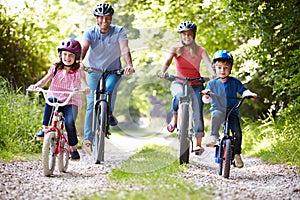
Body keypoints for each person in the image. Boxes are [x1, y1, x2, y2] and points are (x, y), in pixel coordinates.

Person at [81, 3, 134, 154]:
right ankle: (88, 139)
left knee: (109, 92)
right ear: (97, 19)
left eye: (107, 18)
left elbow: (124, 49)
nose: (104, 21)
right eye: (101, 18)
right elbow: (84, 47)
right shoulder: (90, 32)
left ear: (111, 19)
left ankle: (108, 113)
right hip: (94, 71)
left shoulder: (119, 31)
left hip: (113, 71)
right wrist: (80, 60)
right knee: (91, 103)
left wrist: (129, 65)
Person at [158, 21, 216, 154]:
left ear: (194, 35)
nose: (186, 37)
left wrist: (212, 74)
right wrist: (163, 71)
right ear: (180, 36)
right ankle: (175, 118)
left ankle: (198, 144)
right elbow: (167, 61)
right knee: (177, 96)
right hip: (179, 81)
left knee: (197, 111)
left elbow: (208, 64)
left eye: (189, 34)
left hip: (196, 83)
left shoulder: (200, 50)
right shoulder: (176, 49)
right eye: (184, 34)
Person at [28, 38, 90, 160]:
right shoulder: (55, 67)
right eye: (65, 54)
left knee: (69, 122)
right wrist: (36, 86)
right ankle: (45, 129)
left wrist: (86, 88)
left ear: (76, 57)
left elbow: (83, 81)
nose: (67, 57)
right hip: (56, 96)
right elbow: (45, 80)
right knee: (49, 101)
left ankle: (72, 147)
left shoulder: (78, 69)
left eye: (70, 55)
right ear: (60, 55)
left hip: (71, 101)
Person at [202, 50, 257, 168]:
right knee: (216, 115)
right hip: (218, 109)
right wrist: (206, 95)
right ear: (215, 68)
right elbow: (206, 99)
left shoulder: (234, 82)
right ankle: (214, 135)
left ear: (230, 68)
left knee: (237, 132)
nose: (222, 70)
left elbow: (243, 90)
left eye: (226, 67)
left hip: (232, 110)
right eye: (219, 67)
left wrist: (249, 94)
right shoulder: (212, 83)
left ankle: (237, 154)